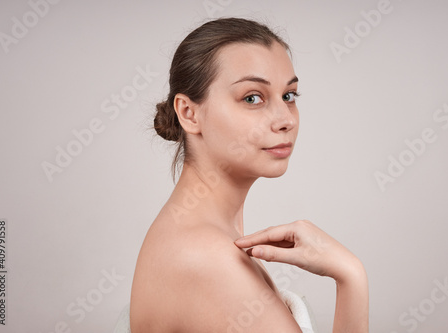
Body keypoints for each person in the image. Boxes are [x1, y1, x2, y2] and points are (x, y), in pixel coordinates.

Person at [130, 17, 368, 332]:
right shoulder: (209, 259)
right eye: (252, 98)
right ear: (189, 113)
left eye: (289, 96)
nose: (286, 119)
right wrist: (351, 276)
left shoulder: (191, 234)